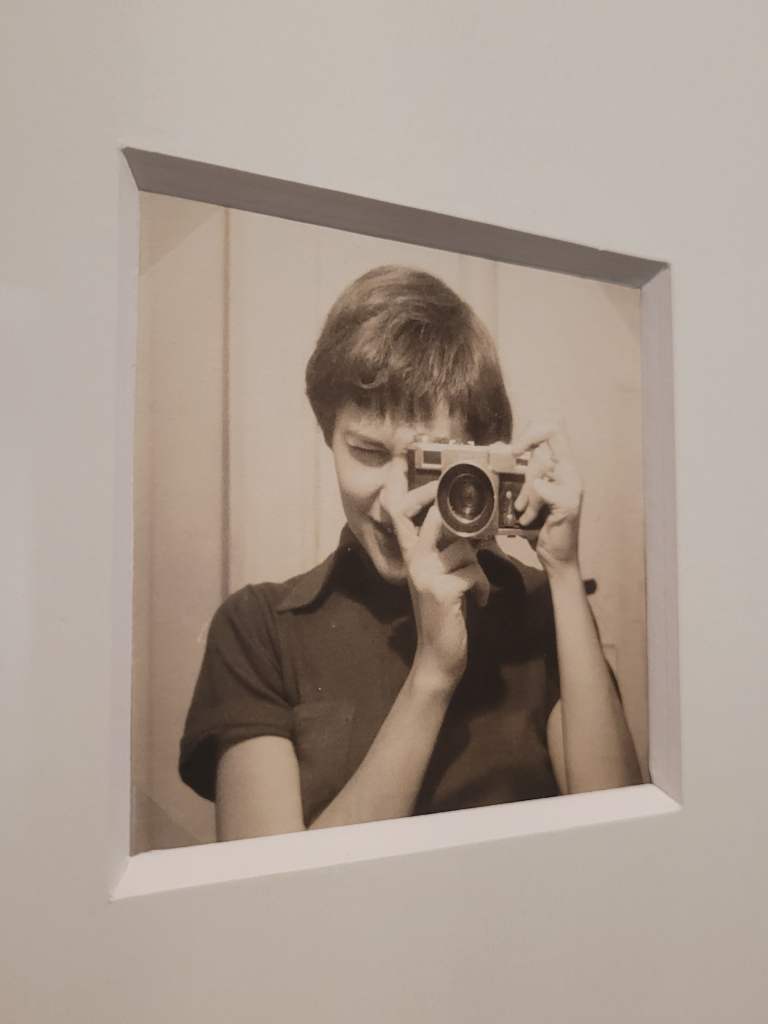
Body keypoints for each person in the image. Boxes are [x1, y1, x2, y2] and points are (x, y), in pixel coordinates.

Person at [179, 265, 641, 840]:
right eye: (368, 453)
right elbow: (267, 886)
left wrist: (564, 571)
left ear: (476, 457)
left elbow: (624, 840)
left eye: (428, 461)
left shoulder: (537, 606)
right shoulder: (258, 629)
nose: (396, 499)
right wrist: (434, 672)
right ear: (329, 436)